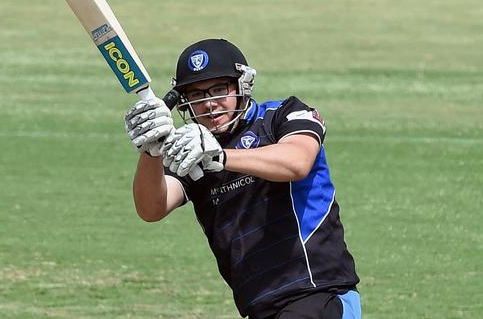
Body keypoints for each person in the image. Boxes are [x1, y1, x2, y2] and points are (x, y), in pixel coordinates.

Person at [124, 38, 360, 319]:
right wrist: (152, 149)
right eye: (197, 95)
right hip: (259, 306)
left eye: (219, 90)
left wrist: (221, 157)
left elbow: (297, 162)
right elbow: (151, 208)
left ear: (242, 85)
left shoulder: (281, 116)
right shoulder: (191, 151)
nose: (210, 104)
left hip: (318, 293)